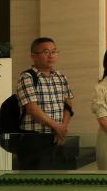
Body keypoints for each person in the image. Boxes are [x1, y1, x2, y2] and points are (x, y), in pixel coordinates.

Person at [14, 36, 74, 170]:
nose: (51, 55)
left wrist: (62, 128)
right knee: (34, 178)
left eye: (54, 51)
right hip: (34, 138)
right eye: (46, 52)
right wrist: (57, 127)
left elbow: (68, 105)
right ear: (33, 56)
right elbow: (32, 109)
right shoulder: (27, 77)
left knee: (55, 177)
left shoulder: (61, 77)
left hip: (57, 136)